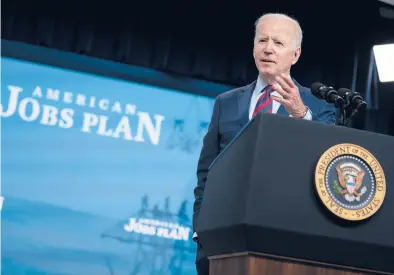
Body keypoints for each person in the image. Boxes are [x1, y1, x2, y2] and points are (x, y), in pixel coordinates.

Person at [192, 13, 336, 275]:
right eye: (262, 40)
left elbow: (327, 162)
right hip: (223, 239)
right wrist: (200, 230)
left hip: (286, 239)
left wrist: (300, 114)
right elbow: (206, 174)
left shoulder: (320, 105)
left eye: (278, 43)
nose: (268, 49)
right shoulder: (226, 102)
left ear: (295, 54)